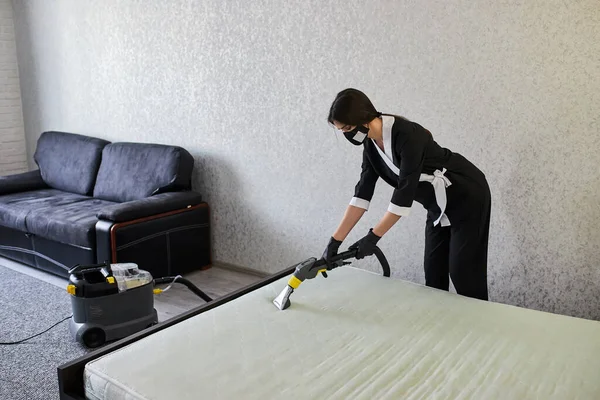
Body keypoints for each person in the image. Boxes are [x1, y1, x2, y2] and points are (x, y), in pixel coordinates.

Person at [322, 88, 491, 300]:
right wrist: (335, 242)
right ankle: (443, 327)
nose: (346, 134)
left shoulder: (408, 135)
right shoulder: (371, 146)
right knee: (433, 273)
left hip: (467, 196)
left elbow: (403, 195)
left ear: (362, 118)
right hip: (437, 206)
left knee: (464, 273)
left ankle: (480, 328)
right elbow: (362, 194)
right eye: (341, 130)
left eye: (347, 128)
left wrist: (373, 237)